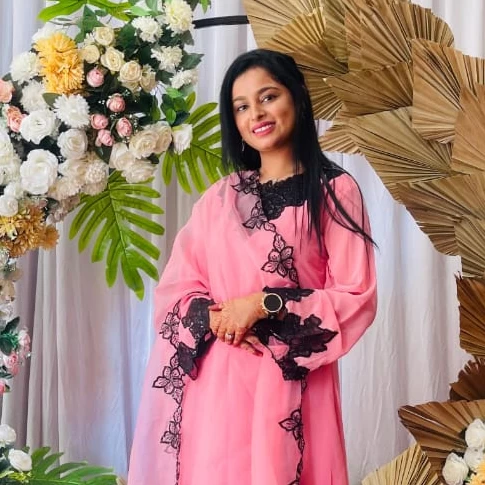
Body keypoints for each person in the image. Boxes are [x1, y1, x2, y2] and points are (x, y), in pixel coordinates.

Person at [128, 49, 377, 485]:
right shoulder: (220, 198)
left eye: (268, 97)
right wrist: (218, 318)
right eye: (241, 107)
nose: (256, 114)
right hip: (217, 384)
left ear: (297, 97)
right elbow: (176, 287)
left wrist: (263, 304)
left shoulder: (333, 191)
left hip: (290, 384)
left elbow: (356, 297)